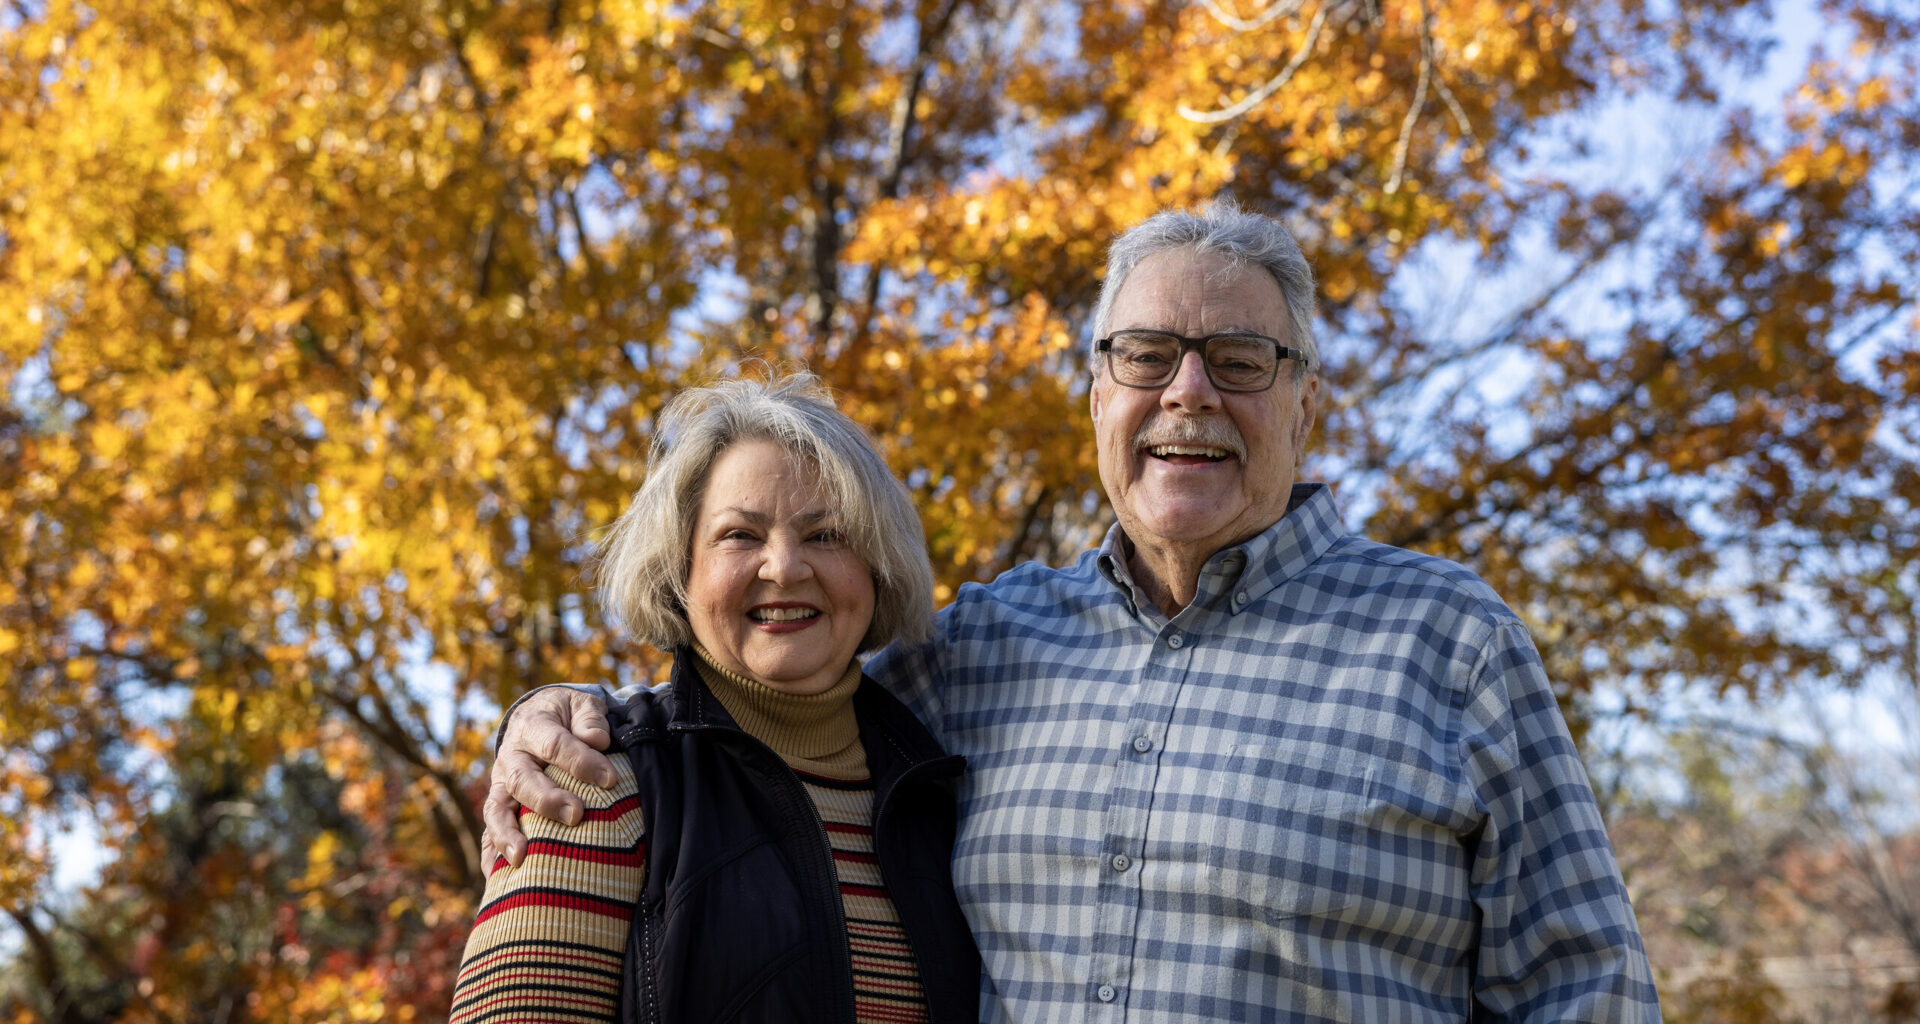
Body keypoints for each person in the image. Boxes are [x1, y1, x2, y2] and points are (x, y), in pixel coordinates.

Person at [484, 201, 1661, 1021]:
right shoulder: (984, 648)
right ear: (1098, 394)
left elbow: (1587, 991)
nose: (1188, 391)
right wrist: (563, 715)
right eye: (1146, 355)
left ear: (1308, 403)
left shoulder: (1448, 643)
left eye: (1239, 359)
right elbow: (770, 691)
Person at [450, 374, 980, 1023]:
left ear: (877, 566)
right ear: (681, 571)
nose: (785, 567)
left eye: (826, 534)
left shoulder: (936, 799)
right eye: (740, 535)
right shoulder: (601, 782)